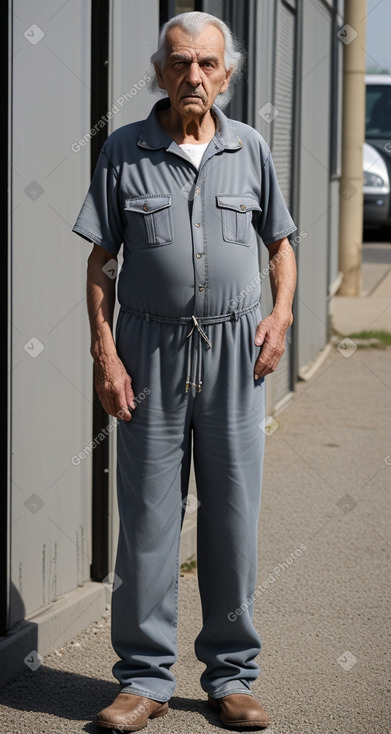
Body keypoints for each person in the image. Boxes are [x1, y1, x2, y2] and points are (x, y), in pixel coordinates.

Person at [73, 11, 297, 731]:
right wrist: (105, 355)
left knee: (232, 519)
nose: (192, 76)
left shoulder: (250, 148)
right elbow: (101, 262)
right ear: (160, 70)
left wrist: (280, 315)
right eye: (178, 62)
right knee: (146, 522)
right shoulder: (123, 151)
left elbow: (280, 246)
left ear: (225, 74)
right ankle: (143, 681)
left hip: (234, 351)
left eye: (205, 64)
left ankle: (231, 678)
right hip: (149, 352)